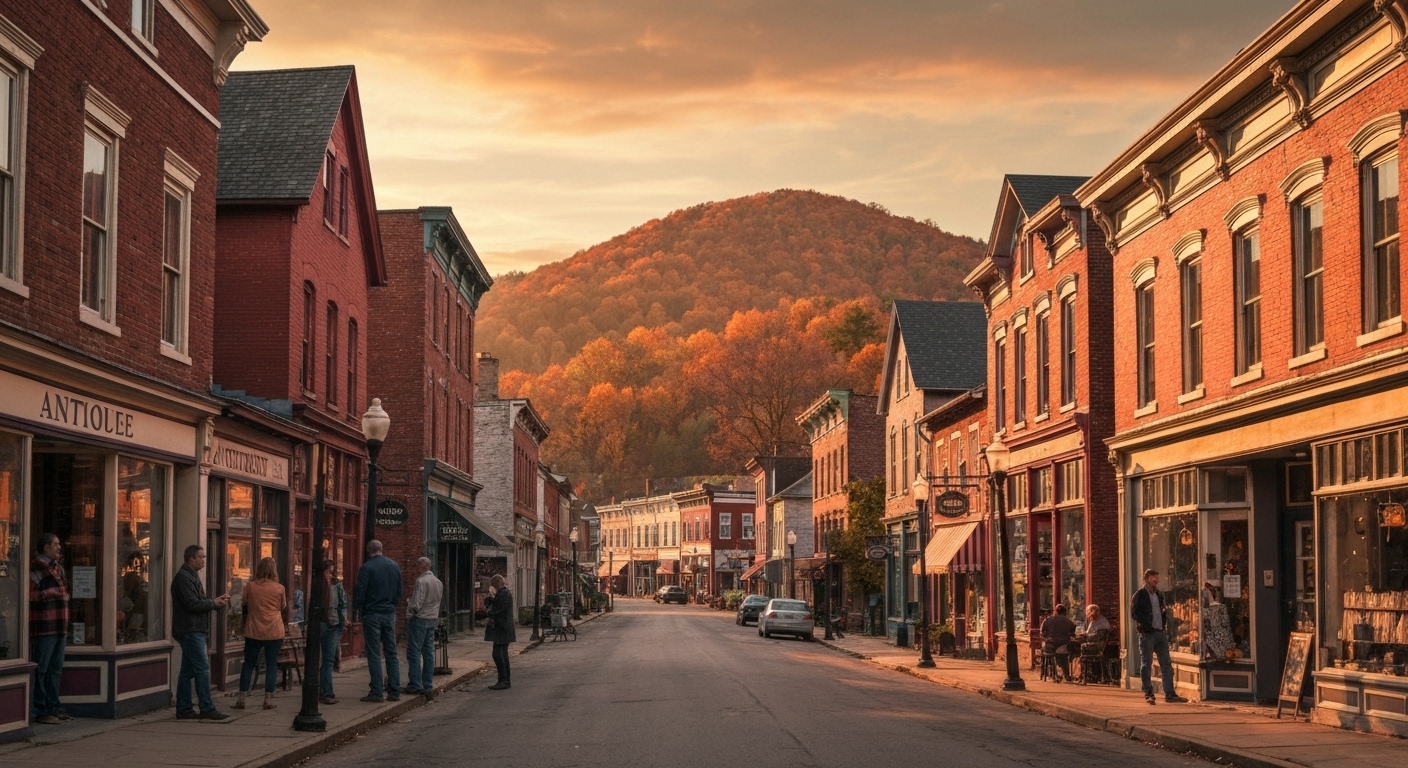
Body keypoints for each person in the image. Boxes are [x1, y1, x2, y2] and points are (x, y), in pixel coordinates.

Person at [171, 545, 230, 720]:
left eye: (204, 557)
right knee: (202, 668)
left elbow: (197, 602)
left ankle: (184, 708)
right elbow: (192, 604)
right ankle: (206, 707)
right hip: (190, 630)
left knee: (187, 671)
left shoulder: (191, 576)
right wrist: (213, 603)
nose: (204, 560)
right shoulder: (183, 578)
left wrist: (213, 602)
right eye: (201, 557)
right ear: (191, 559)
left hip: (194, 629)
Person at [235, 557, 287, 711]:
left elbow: (244, 604)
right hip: (274, 630)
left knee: (249, 664)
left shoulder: (250, 587)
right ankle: (267, 699)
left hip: (253, 630)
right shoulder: (279, 588)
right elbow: (282, 607)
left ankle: (242, 698)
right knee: (271, 665)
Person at [29, 534, 69, 725]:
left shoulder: (57, 567)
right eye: (55, 544)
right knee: (41, 668)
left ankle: (54, 705)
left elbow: (64, 593)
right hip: (44, 626)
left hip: (60, 625)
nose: (59, 548)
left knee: (56, 669)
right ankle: (40, 708)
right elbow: (32, 596)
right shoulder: (36, 567)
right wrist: (54, 594)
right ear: (45, 546)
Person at [355, 540, 402, 702]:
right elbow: (398, 591)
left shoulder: (367, 568)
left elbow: (361, 593)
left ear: (369, 551)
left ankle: (376, 691)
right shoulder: (394, 566)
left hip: (372, 613)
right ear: (381, 549)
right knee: (391, 652)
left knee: (374, 653)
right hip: (389, 612)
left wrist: (361, 609)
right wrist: (391, 605)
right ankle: (394, 690)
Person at [1132, 569, 1188, 704]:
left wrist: (1163, 626)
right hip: (1147, 634)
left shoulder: (1159, 595)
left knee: (1166, 663)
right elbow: (1134, 614)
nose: (1156, 581)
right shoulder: (1139, 595)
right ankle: (1148, 692)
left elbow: (1163, 611)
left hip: (1160, 633)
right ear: (1146, 578)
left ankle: (1170, 693)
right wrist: (1146, 625)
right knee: (1146, 663)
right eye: (1153, 578)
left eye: (1157, 578)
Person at [405, 557, 444, 699]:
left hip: (420, 619)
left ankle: (415, 684)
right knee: (428, 652)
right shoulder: (438, 582)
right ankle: (427, 684)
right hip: (432, 618)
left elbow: (416, 602)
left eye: (417, 566)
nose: (416, 569)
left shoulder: (421, 581)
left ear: (421, 567)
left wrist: (409, 614)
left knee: (414, 651)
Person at [318, 560, 348, 705]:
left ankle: (327, 692)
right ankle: (319, 690)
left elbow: (343, 604)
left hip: (333, 624)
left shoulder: (336, 585)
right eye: (328, 571)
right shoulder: (317, 585)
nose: (330, 575)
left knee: (328, 660)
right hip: (319, 624)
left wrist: (344, 621)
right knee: (316, 660)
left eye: (331, 572)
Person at [483, 574, 515, 690]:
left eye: (493, 584)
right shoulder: (501, 594)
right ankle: (503, 680)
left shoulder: (504, 594)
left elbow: (496, 610)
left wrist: (486, 614)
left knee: (499, 654)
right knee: (500, 653)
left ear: (496, 584)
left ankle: (504, 680)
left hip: (502, 628)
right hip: (502, 628)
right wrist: (490, 597)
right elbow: (491, 606)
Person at [1040, 603, 1076, 682]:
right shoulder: (1068, 621)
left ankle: (1050, 673)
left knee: (1048, 654)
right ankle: (1066, 674)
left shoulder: (1047, 620)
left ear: (1055, 611)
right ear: (1065, 612)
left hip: (1050, 645)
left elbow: (1042, 633)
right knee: (1065, 655)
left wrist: (1047, 639)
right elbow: (1073, 633)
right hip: (1063, 645)